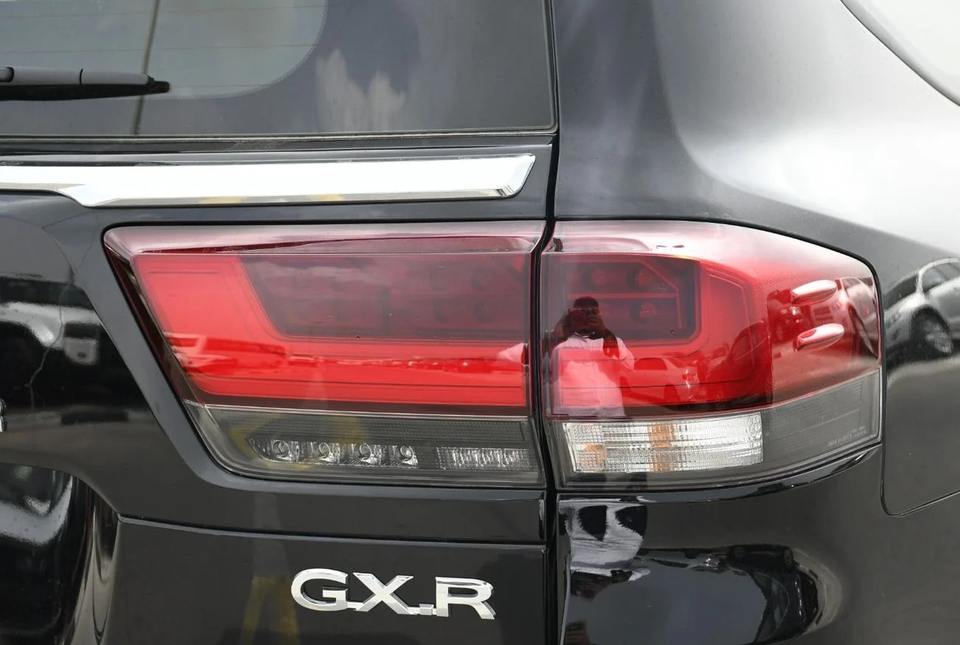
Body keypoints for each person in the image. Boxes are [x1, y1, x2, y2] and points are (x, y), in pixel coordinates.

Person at [548, 296, 633, 417]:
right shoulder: (561, 345)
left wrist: (606, 334)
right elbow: (543, 369)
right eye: (581, 313)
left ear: (599, 316)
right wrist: (562, 329)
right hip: (573, 413)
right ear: (572, 316)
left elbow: (629, 366)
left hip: (611, 410)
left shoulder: (613, 341)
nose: (586, 317)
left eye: (592, 313)